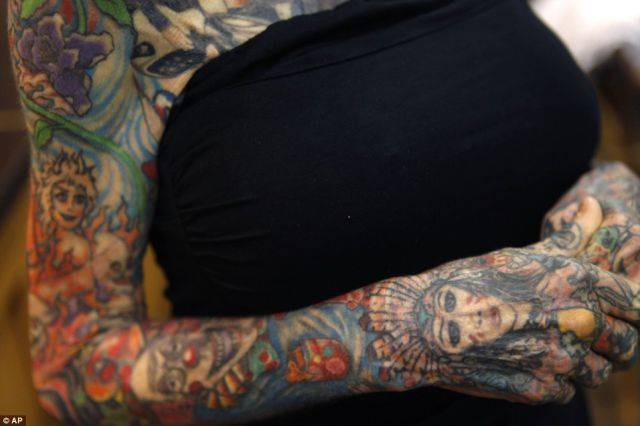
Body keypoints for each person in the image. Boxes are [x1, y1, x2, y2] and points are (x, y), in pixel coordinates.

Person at [9, 0, 640, 424]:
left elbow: (474, 136)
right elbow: (75, 364)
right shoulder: (81, 17)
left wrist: (604, 189)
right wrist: (397, 335)